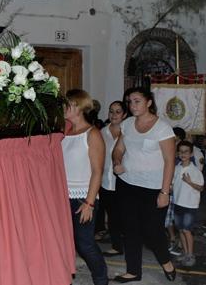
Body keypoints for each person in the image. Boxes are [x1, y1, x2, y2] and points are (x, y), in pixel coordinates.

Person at [112, 87, 176, 283]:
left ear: (149, 102)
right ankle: (133, 271)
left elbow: (170, 161)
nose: (132, 105)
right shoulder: (128, 124)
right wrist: (117, 163)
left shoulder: (162, 128)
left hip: (153, 188)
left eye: (137, 101)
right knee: (130, 229)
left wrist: (165, 192)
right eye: (130, 101)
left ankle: (166, 262)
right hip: (127, 184)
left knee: (152, 231)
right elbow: (118, 149)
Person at [62, 89, 108, 285]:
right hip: (63, 197)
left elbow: (98, 171)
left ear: (78, 107)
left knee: (85, 244)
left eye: (67, 105)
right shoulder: (65, 134)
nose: (63, 109)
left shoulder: (93, 134)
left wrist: (89, 203)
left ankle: (101, 280)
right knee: (65, 243)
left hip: (82, 198)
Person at [99, 100, 127, 257]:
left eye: (118, 112)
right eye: (111, 111)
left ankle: (131, 243)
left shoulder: (129, 130)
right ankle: (117, 245)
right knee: (112, 215)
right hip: (106, 180)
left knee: (126, 215)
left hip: (125, 179)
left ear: (124, 114)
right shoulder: (103, 132)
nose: (114, 114)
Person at [172, 141, 204, 267]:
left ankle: (190, 254)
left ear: (191, 154)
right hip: (178, 203)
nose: (183, 154)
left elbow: (201, 188)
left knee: (187, 230)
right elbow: (173, 183)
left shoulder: (195, 170)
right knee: (180, 230)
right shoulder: (177, 167)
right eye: (180, 151)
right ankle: (185, 253)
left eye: (186, 151)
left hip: (190, 205)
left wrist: (189, 182)